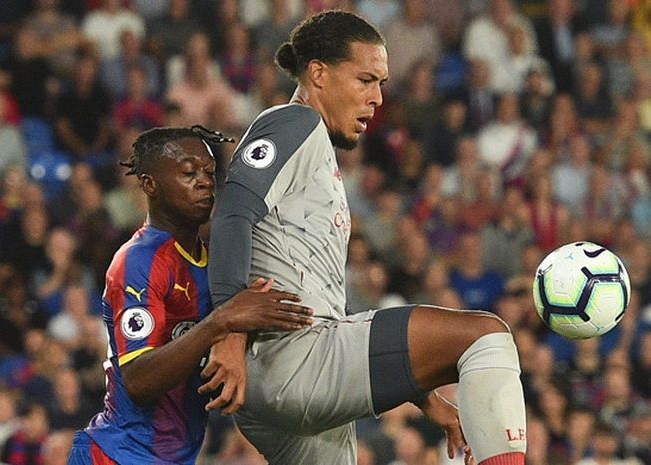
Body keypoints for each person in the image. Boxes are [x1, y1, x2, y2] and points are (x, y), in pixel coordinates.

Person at [207, 11, 527, 465]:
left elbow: (331, 306)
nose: (377, 98)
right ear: (318, 73)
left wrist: (425, 396)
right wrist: (228, 333)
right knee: (485, 335)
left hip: (283, 378)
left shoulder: (315, 153)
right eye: (365, 79)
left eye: (380, 83)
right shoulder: (294, 124)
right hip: (294, 360)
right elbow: (233, 212)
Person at [67, 126, 314, 464]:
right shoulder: (137, 261)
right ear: (149, 185)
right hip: (117, 455)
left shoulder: (215, 261)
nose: (204, 182)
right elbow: (138, 380)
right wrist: (221, 321)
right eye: (188, 172)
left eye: (210, 173)